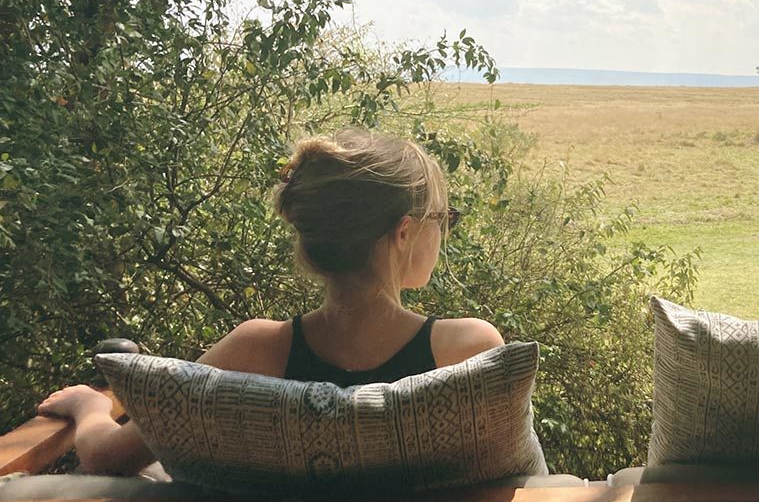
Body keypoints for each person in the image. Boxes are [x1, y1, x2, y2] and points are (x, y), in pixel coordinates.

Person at [38, 129, 505, 475]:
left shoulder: (254, 350)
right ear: (403, 233)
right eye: (442, 218)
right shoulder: (467, 351)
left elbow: (106, 459)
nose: (444, 232)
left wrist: (89, 408)